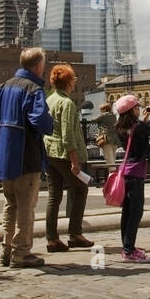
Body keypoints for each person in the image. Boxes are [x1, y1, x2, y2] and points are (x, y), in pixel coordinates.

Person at [0, 47, 53, 269]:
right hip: (26, 154)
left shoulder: (3, 86)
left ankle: (6, 249)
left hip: (4, 154)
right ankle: (22, 252)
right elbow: (40, 121)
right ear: (38, 66)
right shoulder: (33, 89)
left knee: (10, 203)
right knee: (26, 205)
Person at [44, 63, 93, 253]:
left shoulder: (49, 100)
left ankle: (52, 238)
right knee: (80, 189)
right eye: (73, 80)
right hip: (63, 153)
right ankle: (75, 234)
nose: (74, 83)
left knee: (54, 195)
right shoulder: (67, 103)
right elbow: (68, 134)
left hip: (49, 152)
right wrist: (74, 161)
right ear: (68, 83)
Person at [113, 93, 150, 262]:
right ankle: (129, 250)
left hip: (126, 172)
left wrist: (143, 120)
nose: (139, 109)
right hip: (137, 172)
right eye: (137, 107)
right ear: (131, 111)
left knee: (127, 212)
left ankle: (126, 247)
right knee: (136, 211)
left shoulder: (120, 127)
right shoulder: (139, 127)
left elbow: (135, 135)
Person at [90, 98, 119, 168]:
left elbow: (93, 120)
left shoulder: (103, 115)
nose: (100, 111)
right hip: (115, 139)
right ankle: (113, 174)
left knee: (109, 159)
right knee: (113, 158)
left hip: (106, 139)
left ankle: (113, 175)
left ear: (104, 109)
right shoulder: (114, 115)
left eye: (101, 110)